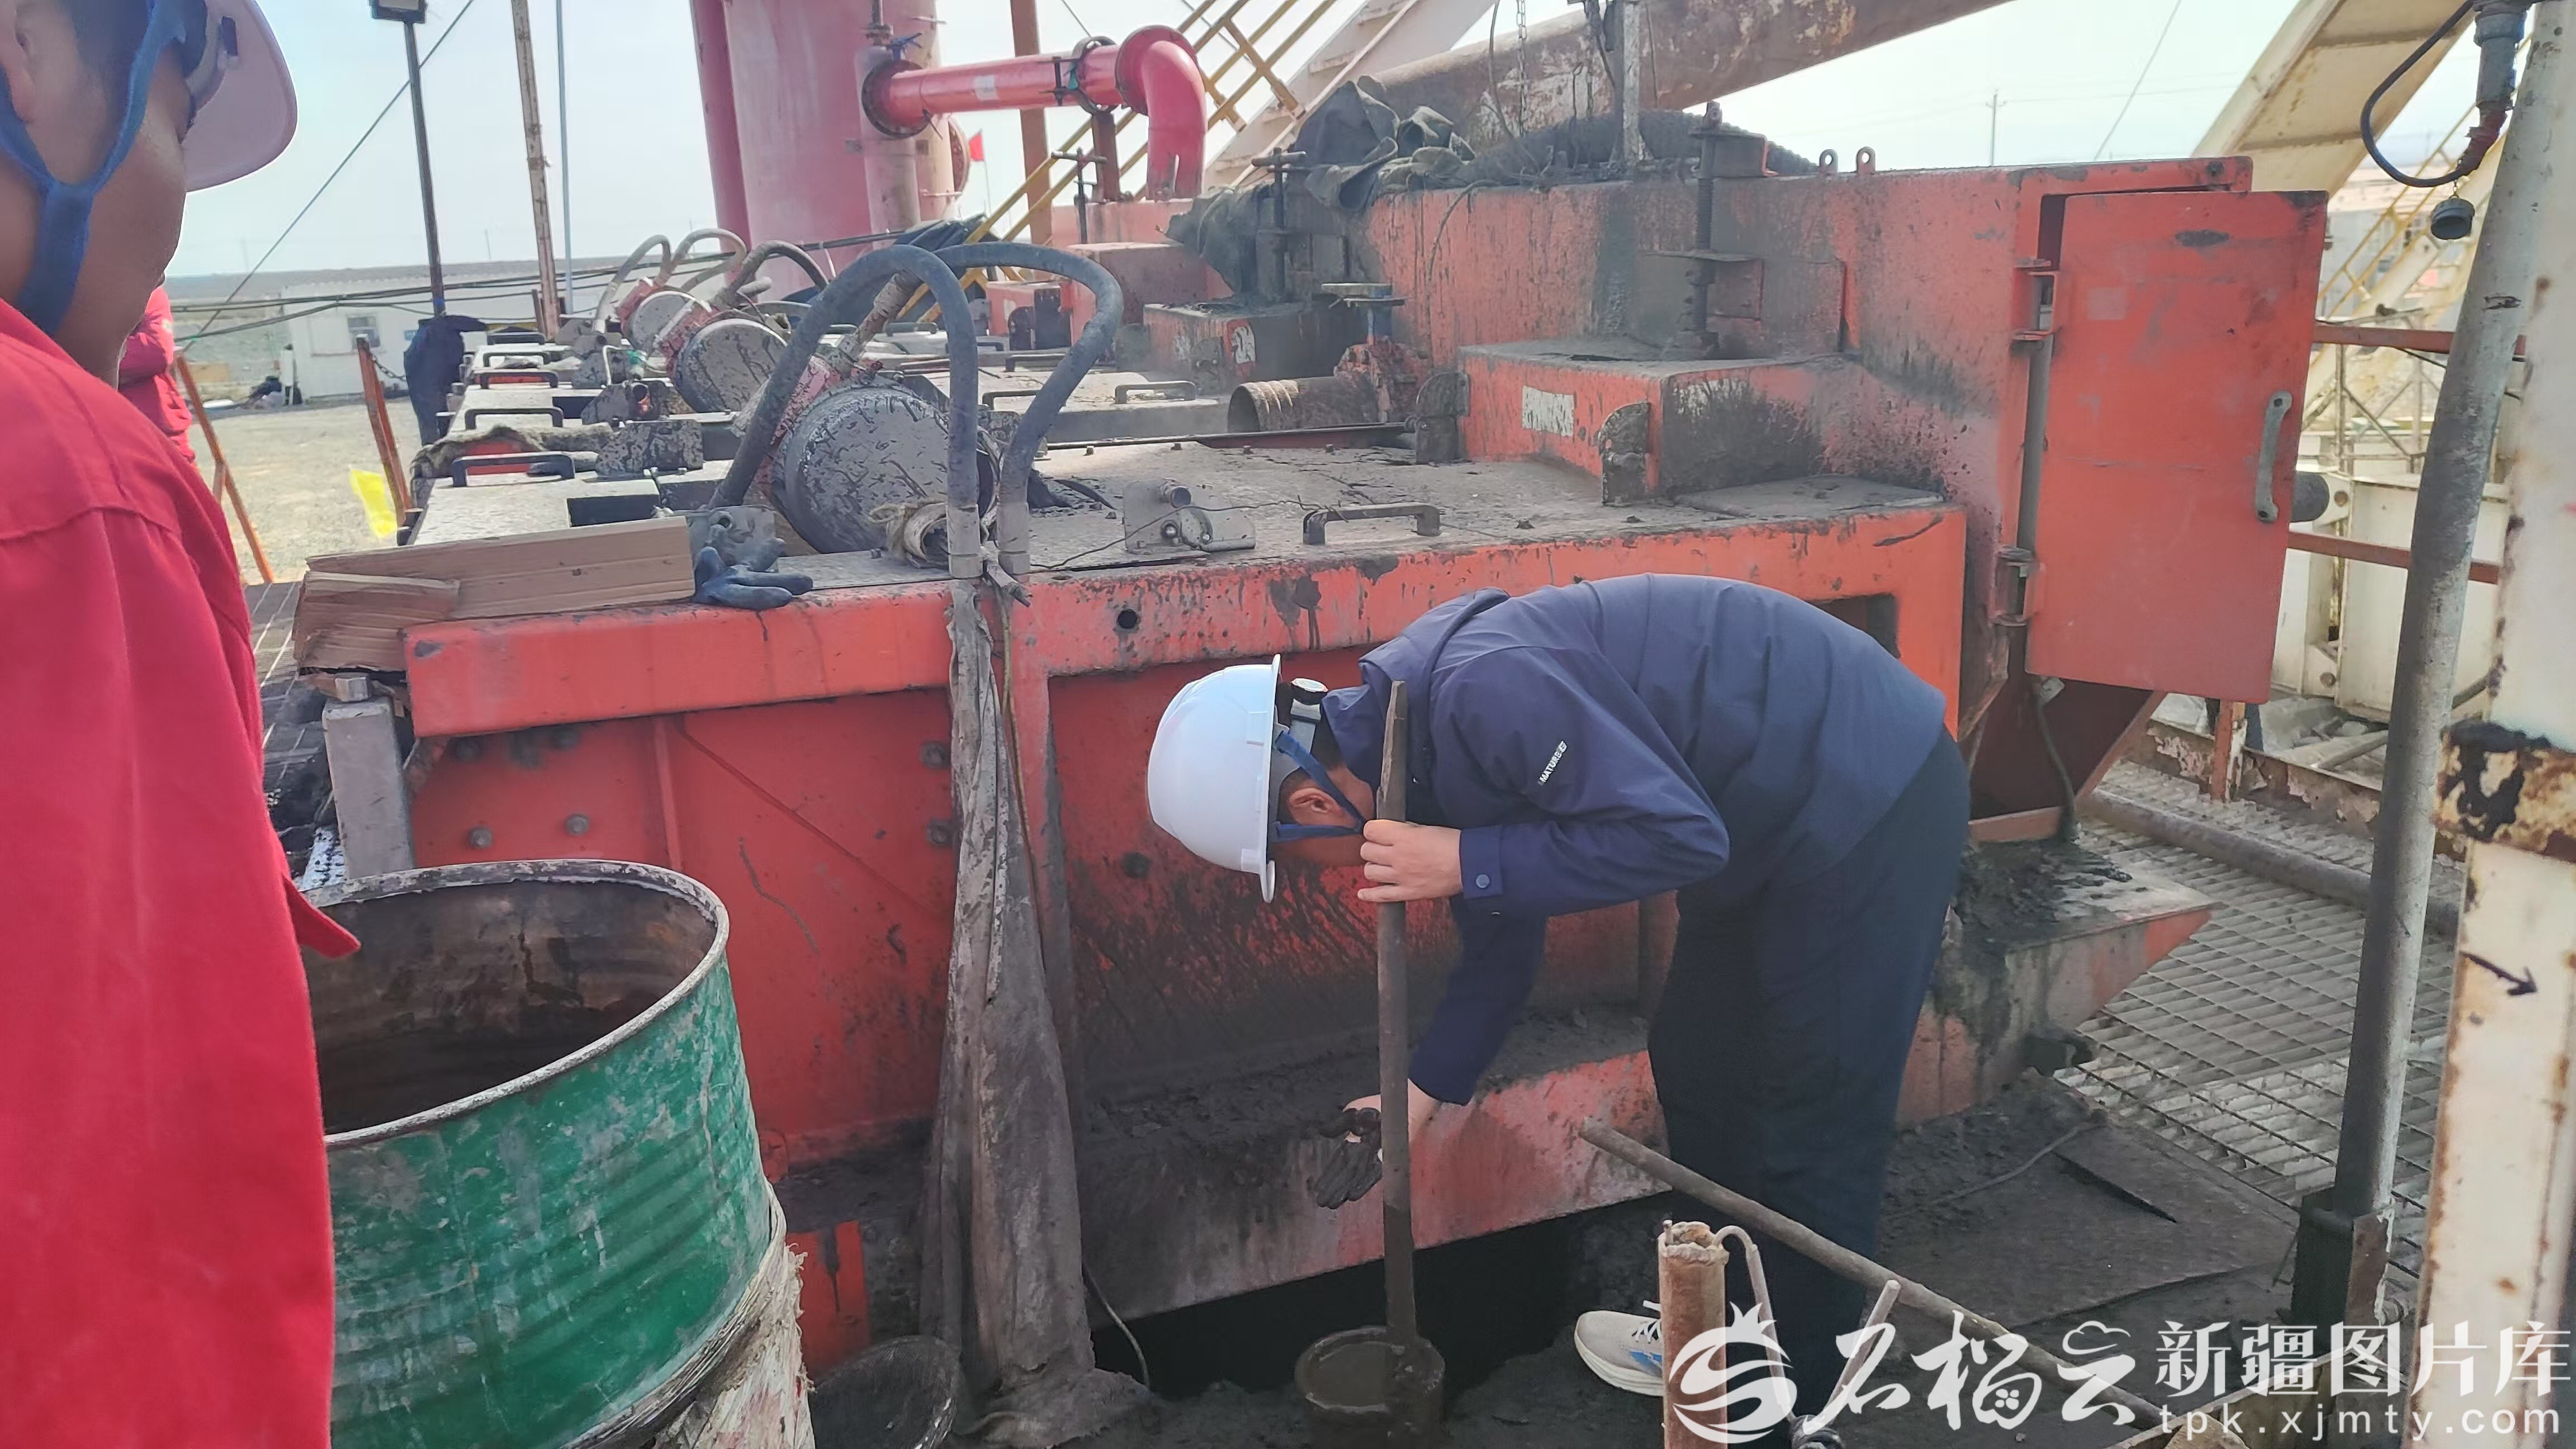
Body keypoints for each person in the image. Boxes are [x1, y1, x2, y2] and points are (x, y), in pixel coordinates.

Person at [1147, 575, 1969, 1422]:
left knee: (1812, 1121)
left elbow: (1679, 838)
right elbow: (1503, 937)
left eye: (1291, 862)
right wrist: (1414, 1097)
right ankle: (1713, 1333)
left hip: (1868, 793)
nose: (1315, 878)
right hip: (1764, 817)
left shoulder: (1483, 695)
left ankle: (1793, 1410)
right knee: (1700, 1064)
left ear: (1312, 805)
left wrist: (1467, 860)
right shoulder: (1412, 742)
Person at [0, 4, 356, 1447]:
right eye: (175, 115)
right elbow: (140, 1285)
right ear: (24, 51)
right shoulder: (58, 487)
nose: (170, 216)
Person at [116, 282, 194, 458]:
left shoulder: (144, 288)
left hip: (153, 428)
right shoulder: (61, 292)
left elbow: (155, 351)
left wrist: (79, 357)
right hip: (91, 429)